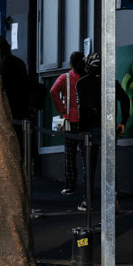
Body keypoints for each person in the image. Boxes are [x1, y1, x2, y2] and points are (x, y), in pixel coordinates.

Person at [76, 52, 131, 212]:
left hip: (90, 129)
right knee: (109, 166)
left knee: (89, 166)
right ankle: (112, 198)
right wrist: (123, 122)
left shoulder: (82, 83)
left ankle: (87, 201)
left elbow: (82, 110)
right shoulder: (111, 82)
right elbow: (125, 100)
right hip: (109, 128)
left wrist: (81, 130)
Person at [50, 51, 85, 195]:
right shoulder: (87, 78)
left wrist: (62, 109)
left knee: (69, 155)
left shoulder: (65, 78)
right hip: (85, 122)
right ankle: (87, 186)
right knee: (86, 156)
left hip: (69, 120)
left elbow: (53, 91)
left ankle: (70, 186)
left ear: (71, 64)